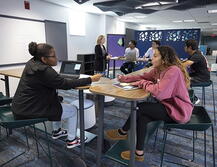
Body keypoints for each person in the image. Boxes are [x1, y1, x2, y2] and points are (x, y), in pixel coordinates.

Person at [106, 46, 193, 161]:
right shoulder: (158, 70)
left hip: (179, 110)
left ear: (164, 59)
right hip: (168, 106)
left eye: (156, 55)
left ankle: (123, 132)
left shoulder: (173, 70)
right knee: (143, 117)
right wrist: (125, 78)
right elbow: (143, 76)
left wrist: (143, 83)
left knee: (140, 108)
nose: (152, 57)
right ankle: (139, 153)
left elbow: (159, 93)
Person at [12, 42, 102, 149]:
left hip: (20, 106)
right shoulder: (45, 71)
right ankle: (72, 140)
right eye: (53, 56)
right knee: (73, 110)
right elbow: (66, 84)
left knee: (57, 100)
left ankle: (57, 131)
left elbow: (52, 81)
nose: (56, 58)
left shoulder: (31, 63)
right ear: (44, 59)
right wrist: (90, 79)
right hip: (29, 110)